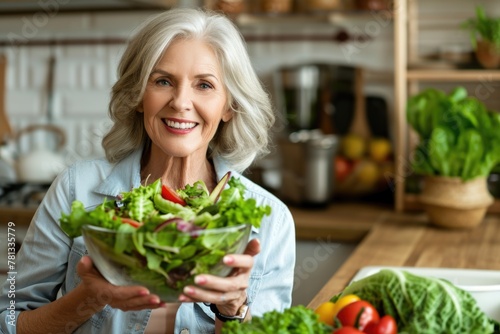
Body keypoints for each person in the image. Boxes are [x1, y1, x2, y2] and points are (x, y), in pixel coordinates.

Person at [0, 7, 296, 334]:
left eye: (205, 85)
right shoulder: (75, 189)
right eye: (163, 81)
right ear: (139, 95)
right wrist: (88, 298)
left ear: (229, 106)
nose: (181, 102)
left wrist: (232, 310)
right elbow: (8, 321)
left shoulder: (272, 219)